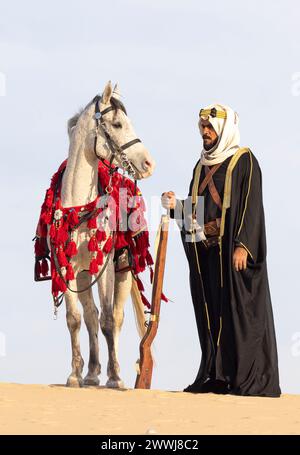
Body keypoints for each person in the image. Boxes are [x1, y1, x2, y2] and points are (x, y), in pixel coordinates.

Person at [161, 104, 281, 397]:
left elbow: (252, 207)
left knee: (238, 315)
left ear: (223, 129)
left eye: (210, 127)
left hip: (233, 255)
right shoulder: (200, 165)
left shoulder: (245, 161)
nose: (205, 133)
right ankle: (216, 376)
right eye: (202, 127)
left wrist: (243, 245)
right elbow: (197, 211)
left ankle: (244, 379)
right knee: (211, 313)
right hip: (207, 255)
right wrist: (176, 206)